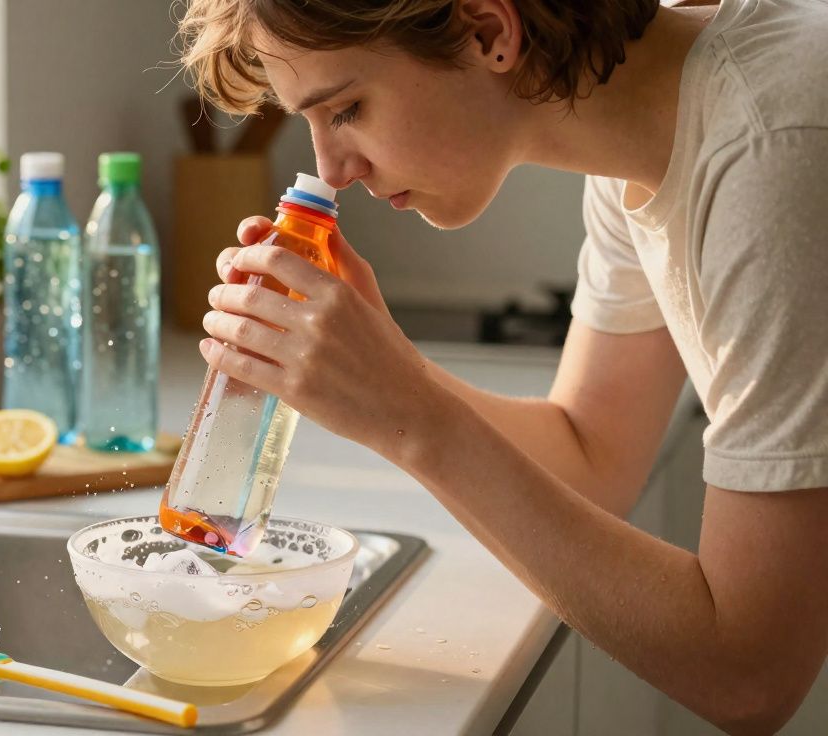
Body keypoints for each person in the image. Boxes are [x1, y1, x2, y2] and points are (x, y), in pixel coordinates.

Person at [177, 0, 828, 731]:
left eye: (349, 108)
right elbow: (590, 457)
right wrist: (387, 372)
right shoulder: (640, 143)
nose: (335, 168)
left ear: (488, 32)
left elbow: (749, 674)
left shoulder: (773, 146)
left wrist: (407, 415)